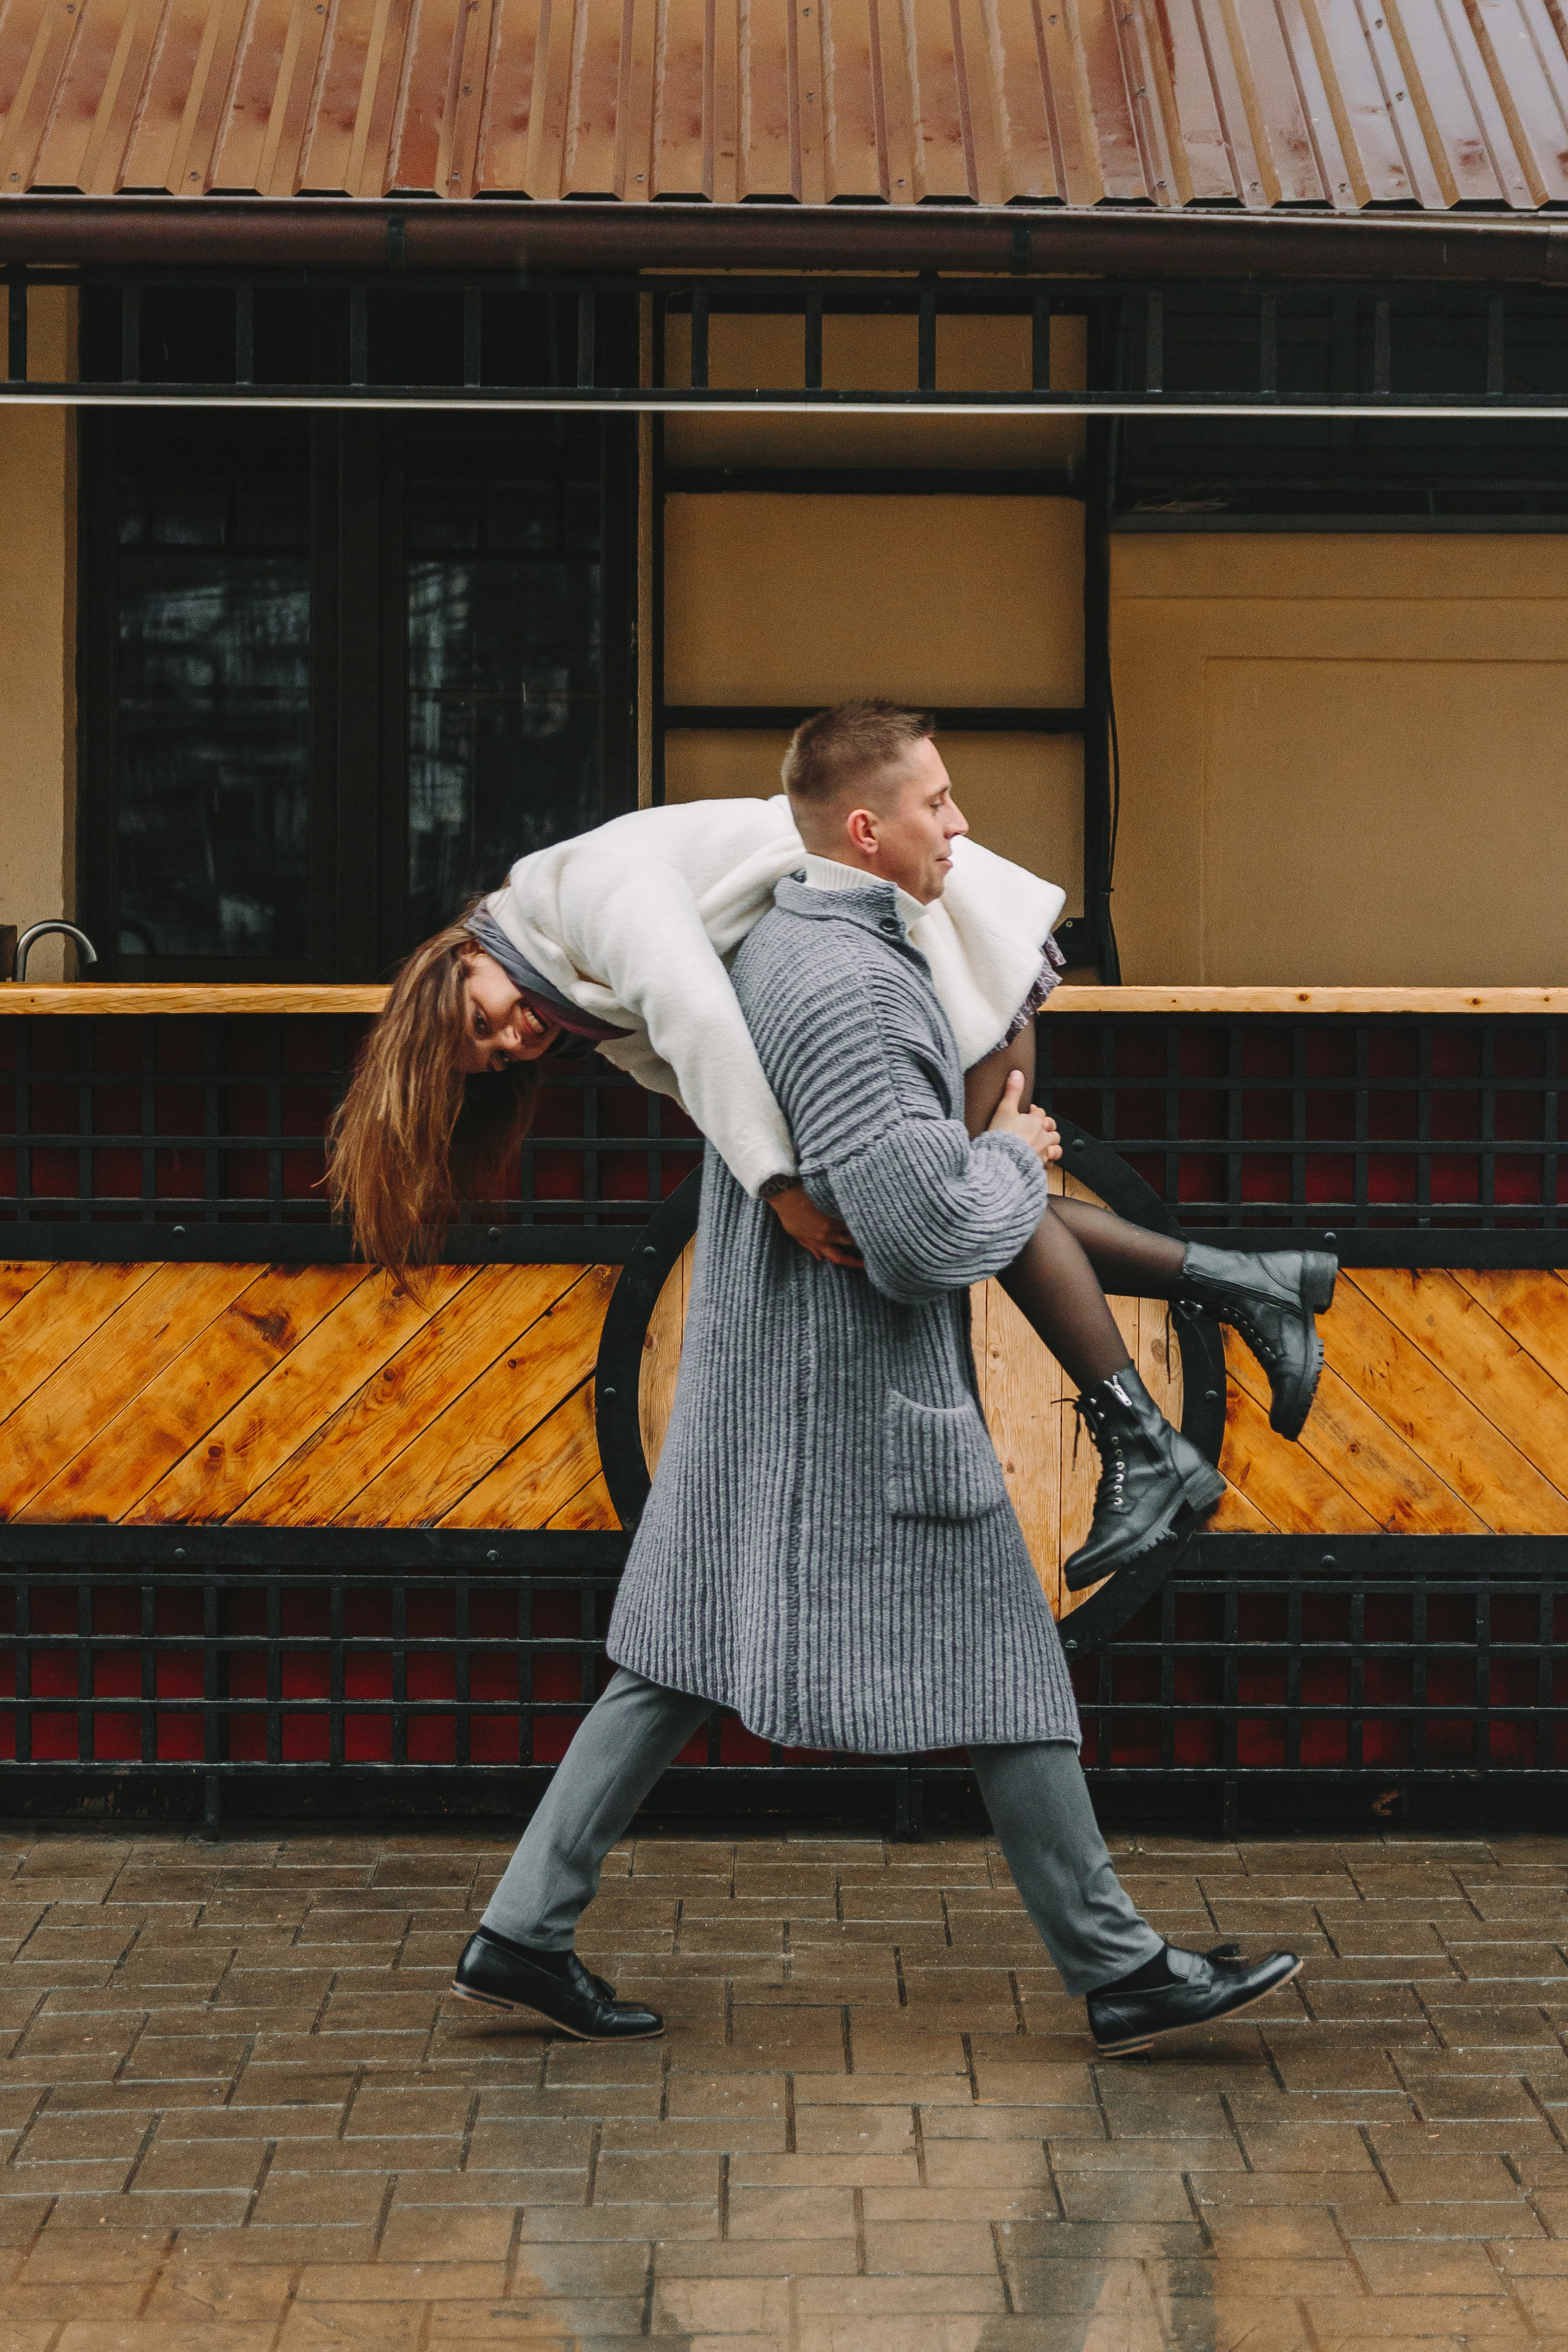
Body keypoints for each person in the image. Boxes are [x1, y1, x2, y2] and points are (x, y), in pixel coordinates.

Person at [449, 704, 1303, 2057]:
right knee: (1007, 1671)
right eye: (941, 802)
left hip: (765, 1380)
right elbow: (911, 1242)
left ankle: (522, 1931)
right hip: (855, 1401)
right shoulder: (844, 983)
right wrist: (1013, 1156)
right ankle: (1120, 1969)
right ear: (866, 828)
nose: (962, 826)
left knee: (669, 1653)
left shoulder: (785, 947)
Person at [329, 704, 1335, 1588]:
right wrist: (786, 1173)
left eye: (482, 1023)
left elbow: (702, 1025)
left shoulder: (580, 897)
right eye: (497, 1061)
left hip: (950, 953)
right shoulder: (566, 984)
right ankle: (1244, 1292)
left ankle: (1156, 1421)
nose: (514, 1043)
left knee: (954, 1212)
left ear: (464, 957)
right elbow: (687, 1079)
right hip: (918, 958)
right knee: (965, 1204)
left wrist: (782, 1191)